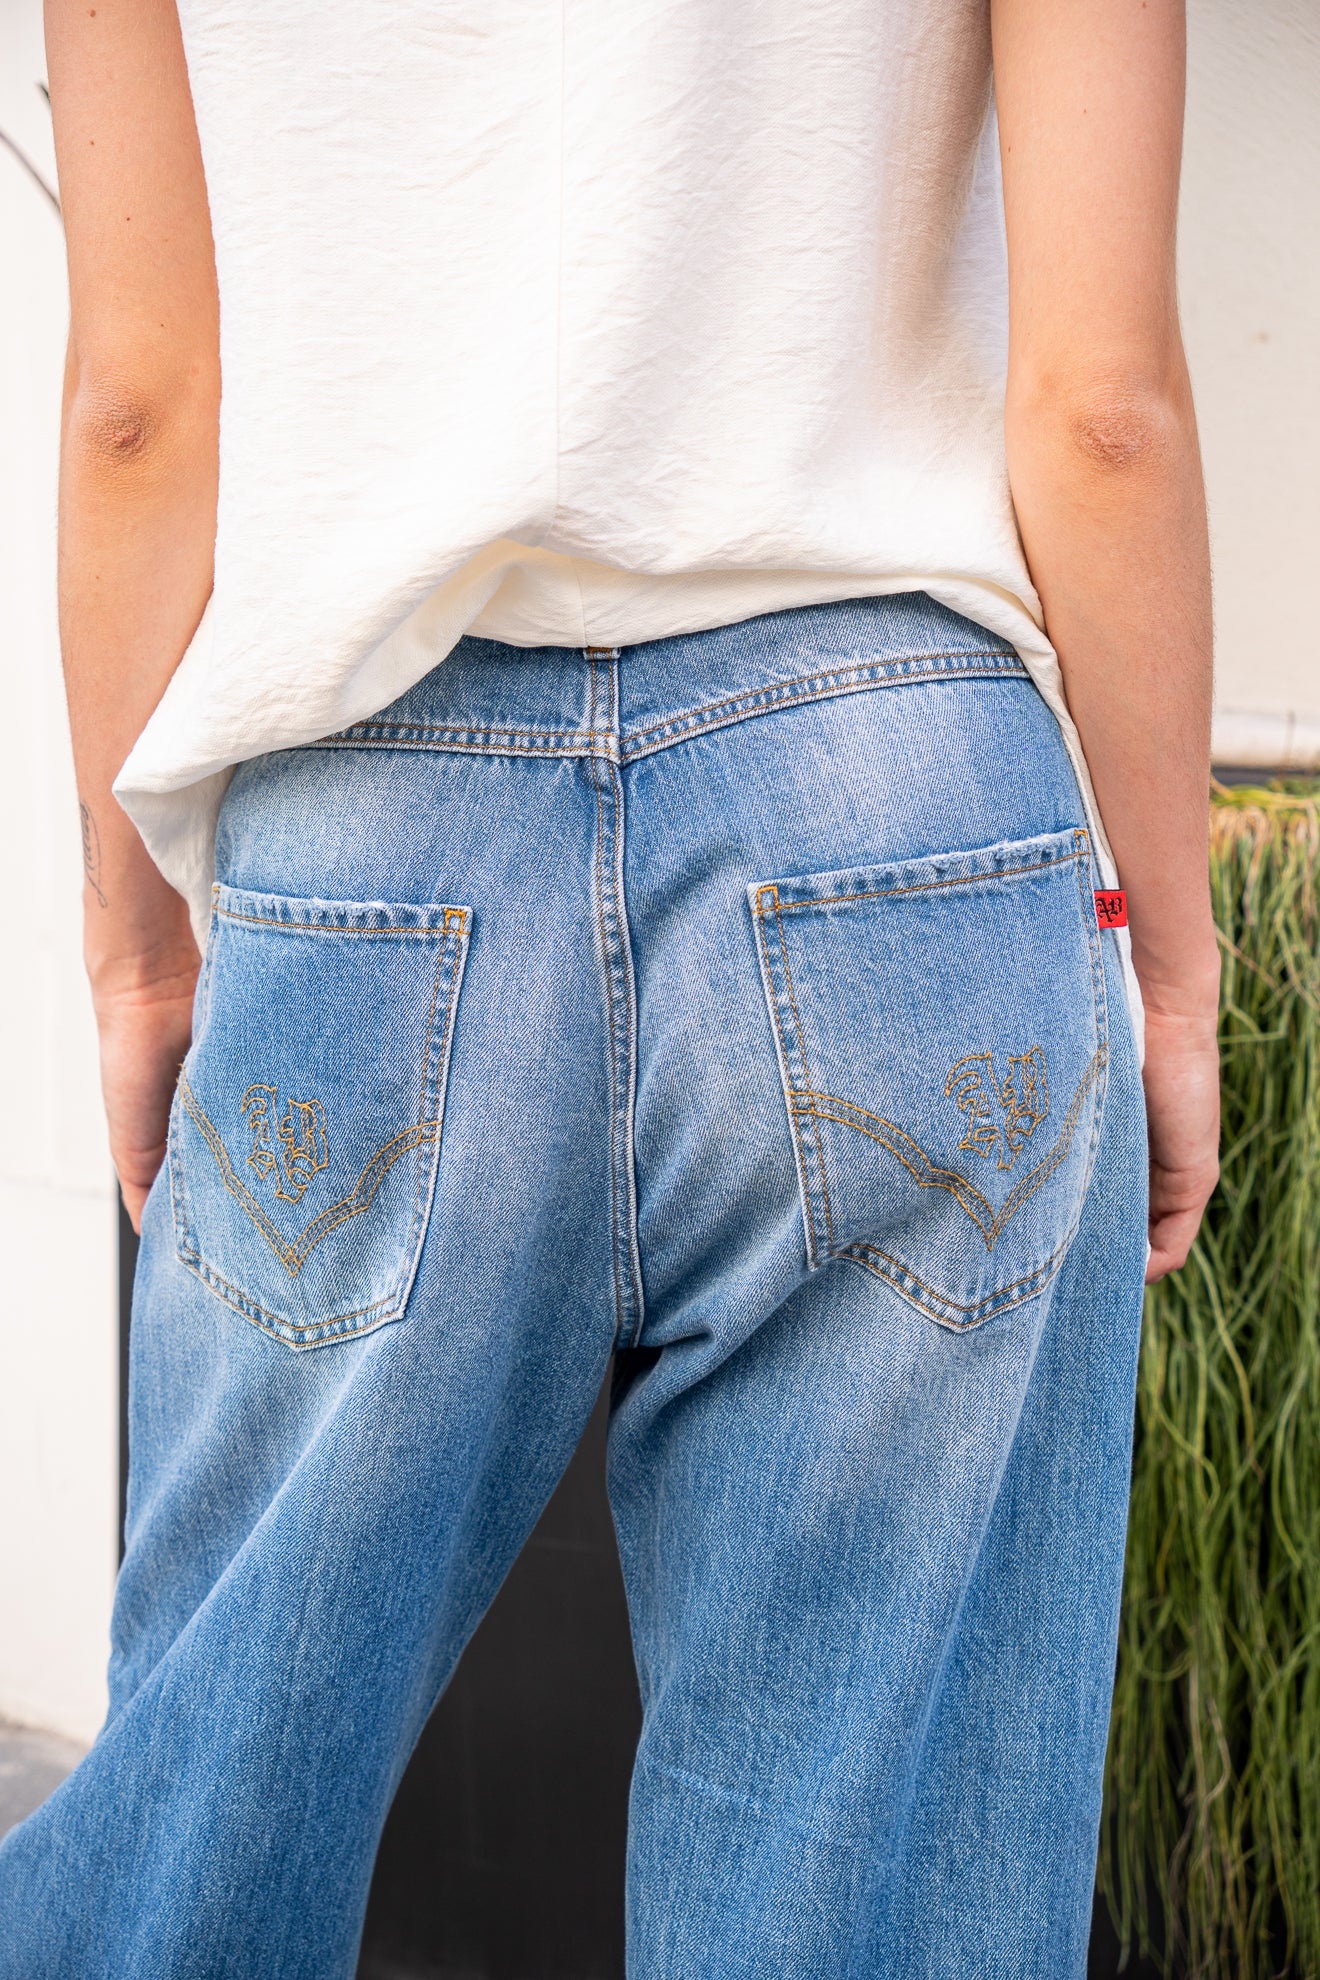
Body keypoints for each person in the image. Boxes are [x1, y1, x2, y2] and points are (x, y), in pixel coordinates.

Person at [0, 0, 1220, 1972]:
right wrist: (1171, 966)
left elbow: (142, 406)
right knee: (862, 1889)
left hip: (376, 829)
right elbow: (1102, 409)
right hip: (897, 822)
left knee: (193, 1842)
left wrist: (136, 945)